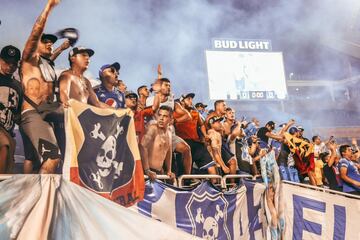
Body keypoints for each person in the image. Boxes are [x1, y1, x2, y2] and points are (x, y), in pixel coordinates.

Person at [20, 0, 69, 174]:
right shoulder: (28, 60)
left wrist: (61, 49)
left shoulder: (46, 64)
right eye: (45, 41)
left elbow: (49, 59)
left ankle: (29, 196)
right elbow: (35, 34)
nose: (50, 44)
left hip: (48, 114)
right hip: (32, 114)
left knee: (34, 160)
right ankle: (39, 200)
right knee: (52, 157)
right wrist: (48, 7)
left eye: (51, 42)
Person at [175, 93, 216, 175]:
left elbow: (201, 125)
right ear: (182, 102)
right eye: (188, 99)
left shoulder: (195, 113)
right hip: (183, 143)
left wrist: (205, 135)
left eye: (191, 99)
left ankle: (215, 186)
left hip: (197, 143)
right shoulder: (175, 114)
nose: (191, 101)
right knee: (184, 173)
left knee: (211, 166)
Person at [0, 45, 23, 173]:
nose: (10, 66)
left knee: (9, 162)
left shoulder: (18, 86)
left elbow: (18, 113)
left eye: (13, 64)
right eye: (6, 62)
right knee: (4, 144)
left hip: (8, 130)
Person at [140, 106, 175, 181]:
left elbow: (168, 151)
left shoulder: (169, 132)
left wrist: (169, 170)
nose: (161, 118)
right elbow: (143, 146)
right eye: (159, 115)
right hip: (147, 172)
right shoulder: (153, 128)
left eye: (165, 116)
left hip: (158, 173)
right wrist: (147, 170)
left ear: (171, 119)